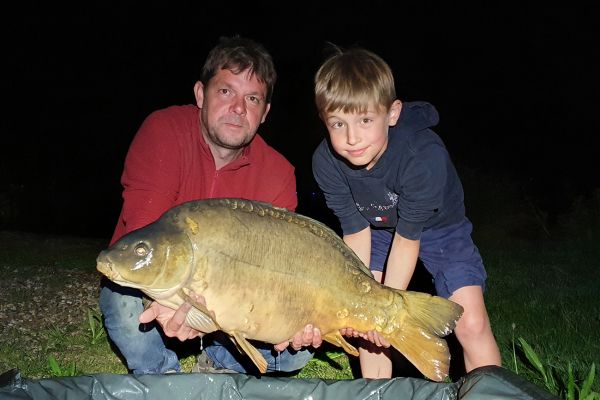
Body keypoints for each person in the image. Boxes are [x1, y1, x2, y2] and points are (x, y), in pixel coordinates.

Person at [99, 35, 321, 375]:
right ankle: (165, 378)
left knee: (295, 351)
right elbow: (146, 233)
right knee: (124, 302)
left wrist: (294, 315)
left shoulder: (278, 174)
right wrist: (166, 303)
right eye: (226, 91)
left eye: (252, 98)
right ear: (201, 94)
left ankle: (218, 362)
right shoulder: (164, 131)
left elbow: (275, 270)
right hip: (163, 291)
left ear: (264, 113)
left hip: (232, 302)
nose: (238, 108)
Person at [311, 46, 502, 379]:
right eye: (338, 123)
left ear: (392, 113)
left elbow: (407, 239)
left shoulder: (422, 157)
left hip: (439, 227)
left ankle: (491, 391)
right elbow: (355, 232)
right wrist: (368, 308)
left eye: (365, 120)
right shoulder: (326, 162)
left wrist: (387, 311)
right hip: (376, 228)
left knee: (471, 322)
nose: (352, 138)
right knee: (367, 328)